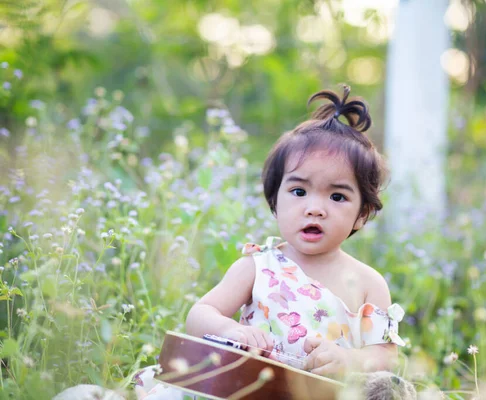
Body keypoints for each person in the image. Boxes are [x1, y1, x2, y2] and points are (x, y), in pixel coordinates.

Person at [134, 85, 408, 400]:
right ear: (274, 200)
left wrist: (350, 359)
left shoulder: (367, 283)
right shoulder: (257, 266)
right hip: (241, 390)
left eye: (337, 196)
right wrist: (230, 331)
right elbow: (200, 313)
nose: (314, 208)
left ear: (362, 214)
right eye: (299, 191)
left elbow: (386, 356)